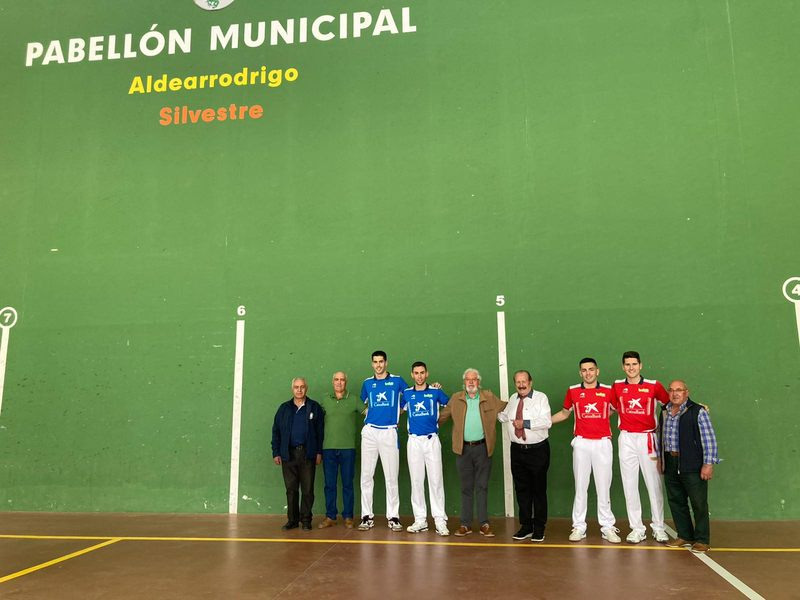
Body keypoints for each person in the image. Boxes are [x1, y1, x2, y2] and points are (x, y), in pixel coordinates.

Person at [552, 358, 621, 543]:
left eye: (591, 369)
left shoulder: (608, 390)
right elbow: (565, 413)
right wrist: (541, 422)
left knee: (603, 487)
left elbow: (614, 409)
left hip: (603, 443)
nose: (588, 373)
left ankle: (607, 526)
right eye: (584, 370)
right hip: (582, 444)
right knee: (581, 487)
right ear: (580, 373)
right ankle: (578, 526)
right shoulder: (573, 391)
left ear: (597, 371)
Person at [439, 368, 506, 537]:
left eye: (474, 379)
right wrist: (433, 393)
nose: (470, 382)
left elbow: (507, 406)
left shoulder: (489, 397)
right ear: (464, 382)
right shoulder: (456, 399)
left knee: (482, 486)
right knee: (466, 488)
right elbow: (440, 417)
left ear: (479, 382)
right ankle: (465, 524)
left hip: (483, 449)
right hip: (463, 450)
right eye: (468, 379)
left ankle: (484, 524)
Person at [611, 351, 670, 543]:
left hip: (647, 439)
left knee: (653, 484)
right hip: (626, 439)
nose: (631, 367)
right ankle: (637, 528)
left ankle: (659, 527)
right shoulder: (617, 387)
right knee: (629, 485)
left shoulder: (654, 386)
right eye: (627, 364)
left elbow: (671, 404)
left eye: (634, 364)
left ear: (641, 365)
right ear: (623, 367)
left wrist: (696, 407)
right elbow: (608, 409)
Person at [659, 380, 720, 554]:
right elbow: (660, 436)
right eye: (671, 390)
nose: (674, 393)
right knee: (676, 501)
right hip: (670, 462)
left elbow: (709, 440)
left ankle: (702, 539)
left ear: (686, 392)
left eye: (679, 390)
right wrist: (660, 460)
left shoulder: (698, 411)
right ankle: (685, 535)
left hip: (692, 463)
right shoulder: (664, 411)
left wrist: (708, 464)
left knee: (698, 502)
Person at [358, 350, 409, 531]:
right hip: (370, 432)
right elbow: (361, 403)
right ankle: (366, 516)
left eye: (381, 361)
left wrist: (401, 410)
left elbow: (411, 396)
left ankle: (393, 517)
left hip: (389, 432)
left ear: (386, 363)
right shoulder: (367, 383)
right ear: (372, 364)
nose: (378, 365)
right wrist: (369, 414)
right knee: (366, 476)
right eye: (375, 362)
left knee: (391, 477)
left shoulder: (397, 380)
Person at [499, 370, 552, 542]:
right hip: (517, 451)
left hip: (537, 451)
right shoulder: (514, 399)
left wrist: (525, 423)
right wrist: (489, 411)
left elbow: (547, 421)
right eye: (518, 382)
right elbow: (503, 416)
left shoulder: (541, 398)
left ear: (531, 381)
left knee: (538, 490)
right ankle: (526, 526)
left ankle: (539, 528)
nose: (521, 385)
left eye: (524, 381)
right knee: (521, 490)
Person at [402, 361, 450, 536]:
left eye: (422, 373)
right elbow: (397, 411)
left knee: (436, 480)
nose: (419, 376)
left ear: (427, 374)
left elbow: (451, 406)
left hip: (431, 441)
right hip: (413, 442)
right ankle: (420, 519)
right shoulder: (407, 394)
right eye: (416, 373)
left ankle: (440, 520)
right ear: (412, 375)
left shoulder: (436, 392)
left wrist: (439, 420)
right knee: (416, 481)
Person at [271, 377, 324, 531]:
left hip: (308, 454)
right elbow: (276, 431)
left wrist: (319, 452)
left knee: (308, 490)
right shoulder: (284, 408)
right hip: (288, 454)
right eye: (296, 387)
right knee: (291, 490)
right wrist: (276, 452)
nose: (299, 390)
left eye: (302, 387)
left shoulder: (314, 407)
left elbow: (320, 432)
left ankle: (306, 521)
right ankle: (292, 521)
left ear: (306, 388)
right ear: (292, 389)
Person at [318, 371, 363, 529]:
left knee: (347, 484)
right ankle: (330, 516)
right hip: (328, 449)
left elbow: (370, 413)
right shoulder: (324, 400)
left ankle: (348, 517)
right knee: (329, 484)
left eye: (342, 380)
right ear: (332, 382)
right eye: (336, 379)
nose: (339, 382)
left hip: (348, 449)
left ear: (346, 382)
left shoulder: (354, 399)